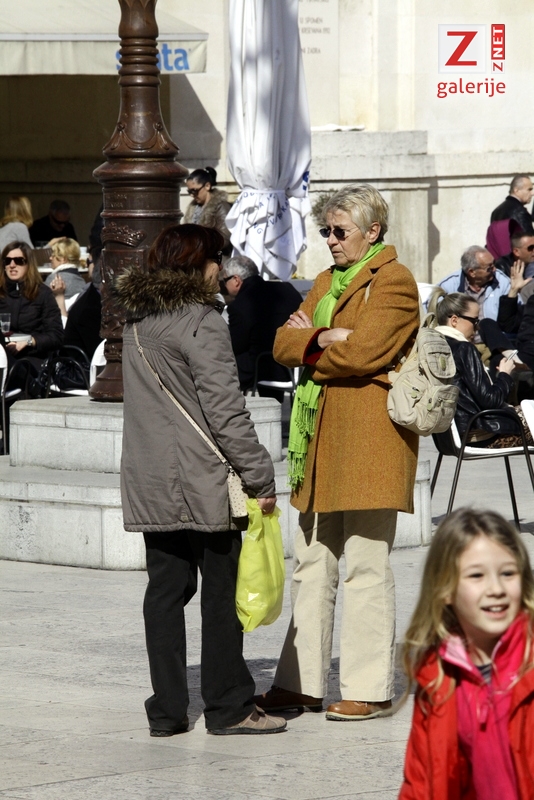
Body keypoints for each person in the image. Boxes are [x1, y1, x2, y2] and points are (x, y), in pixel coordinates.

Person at [256, 184, 420, 720]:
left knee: (366, 566)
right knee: (311, 564)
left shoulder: (394, 281)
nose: (330, 239)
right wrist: (329, 337)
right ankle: (301, 684)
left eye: (339, 230)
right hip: (318, 443)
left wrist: (315, 339)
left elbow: (366, 352)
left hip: (371, 444)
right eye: (325, 230)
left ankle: (368, 688)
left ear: (372, 231)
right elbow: (280, 344)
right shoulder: (326, 280)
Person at [115, 223, 285, 736]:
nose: (222, 268)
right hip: (202, 479)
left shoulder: (137, 320)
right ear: (198, 263)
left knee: (165, 592)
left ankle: (167, 713)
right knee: (220, 591)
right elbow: (225, 412)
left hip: (150, 478)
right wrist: (260, 475)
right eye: (218, 258)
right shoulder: (202, 321)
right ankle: (228, 706)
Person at [399, 507, 534, 799]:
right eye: (476, 575)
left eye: (508, 573)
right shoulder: (437, 676)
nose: (496, 588)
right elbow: (420, 781)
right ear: (445, 590)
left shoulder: (529, 663)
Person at [429, 288, 532, 447]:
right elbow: (490, 401)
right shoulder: (463, 349)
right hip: (481, 433)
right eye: (474, 321)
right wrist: (505, 375)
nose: (477, 328)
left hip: (449, 437)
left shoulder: (433, 346)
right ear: (454, 320)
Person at [220, 255, 302, 398]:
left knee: (218, 363)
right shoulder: (288, 290)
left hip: (262, 368)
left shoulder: (240, 305)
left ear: (236, 280)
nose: (224, 286)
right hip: (293, 366)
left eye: (225, 281)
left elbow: (235, 345)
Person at [0, 241, 63, 365]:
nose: (12, 265)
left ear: (28, 264)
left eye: (19, 261)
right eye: (7, 261)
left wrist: (30, 341)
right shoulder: (1, 292)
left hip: (32, 357)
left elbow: (56, 336)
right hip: (3, 354)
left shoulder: (43, 294)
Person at [437, 245, 510, 322]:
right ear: (472, 272)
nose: (494, 269)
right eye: (489, 268)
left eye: (494, 264)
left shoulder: (503, 282)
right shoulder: (448, 286)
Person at [182, 167, 231, 252]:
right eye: (189, 191)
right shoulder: (193, 207)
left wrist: (199, 244)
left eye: (194, 190)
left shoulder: (221, 206)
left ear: (207, 186)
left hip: (216, 257)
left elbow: (224, 239)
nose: (192, 195)